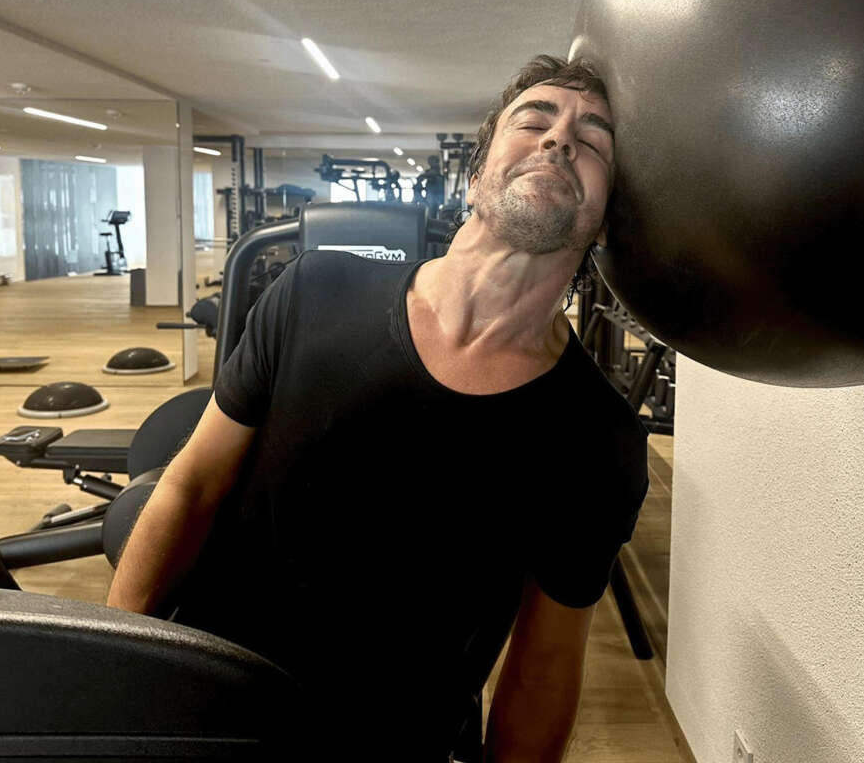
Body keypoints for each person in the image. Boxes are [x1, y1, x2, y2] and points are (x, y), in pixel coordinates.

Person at [107, 54, 650, 762]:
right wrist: (113, 674)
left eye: (594, 138)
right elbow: (189, 486)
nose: (559, 140)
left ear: (607, 217)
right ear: (479, 171)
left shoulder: (598, 436)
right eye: (534, 120)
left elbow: (542, 667)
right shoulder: (315, 289)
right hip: (208, 706)